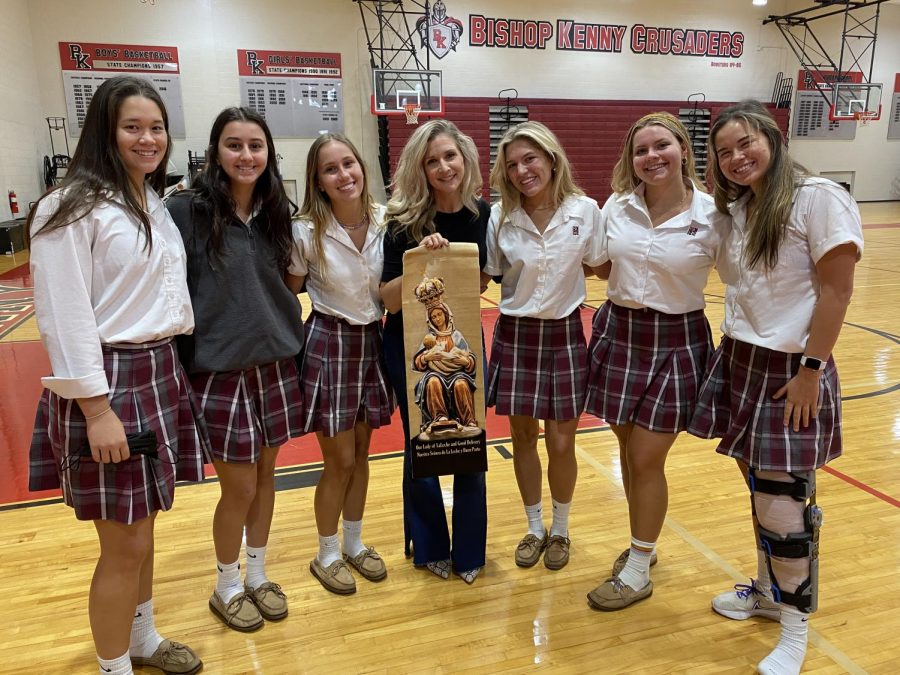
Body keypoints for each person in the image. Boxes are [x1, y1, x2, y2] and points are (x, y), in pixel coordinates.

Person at [27, 75, 206, 675]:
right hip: (109, 381)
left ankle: (142, 640)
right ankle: (113, 668)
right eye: (133, 126)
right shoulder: (68, 205)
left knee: (143, 527)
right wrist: (96, 410)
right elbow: (64, 314)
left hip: (158, 369)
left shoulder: (149, 198)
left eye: (156, 127)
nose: (148, 138)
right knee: (122, 543)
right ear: (105, 130)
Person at [688, 100, 862, 674]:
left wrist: (812, 370)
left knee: (784, 508)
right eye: (724, 152)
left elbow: (836, 292)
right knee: (759, 491)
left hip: (793, 370)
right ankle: (767, 594)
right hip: (743, 360)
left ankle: (795, 629)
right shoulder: (741, 209)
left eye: (746, 143)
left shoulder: (817, 198)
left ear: (773, 136)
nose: (737, 158)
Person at [167, 107, 304, 632]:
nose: (245, 155)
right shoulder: (185, 212)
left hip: (274, 365)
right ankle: (226, 586)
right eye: (234, 145)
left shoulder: (277, 211)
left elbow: (287, 286)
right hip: (218, 372)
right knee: (239, 488)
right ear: (215, 152)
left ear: (268, 152)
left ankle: (257, 574)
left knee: (267, 479)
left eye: (255, 145)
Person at [582, 112, 726, 610]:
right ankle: (642, 546)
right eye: (641, 150)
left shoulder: (713, 214)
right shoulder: (616, 206)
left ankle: (638, 570)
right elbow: (598, 268)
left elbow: (743, 276)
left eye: (661, 145)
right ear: (631, 159)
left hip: (678, 339)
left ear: (683, 148)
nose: (651, 157)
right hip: (619, 332)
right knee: (628, 452)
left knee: (646, 458)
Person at [485, 121, 605, 571]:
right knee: (522, 439)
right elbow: (490, 273)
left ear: (551, 158)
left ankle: (561, 529)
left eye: (530, 159)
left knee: (561, 443)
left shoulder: (587, 210)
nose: (522, 170)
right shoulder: (500, 215)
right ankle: (534, 527)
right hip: (515, 335)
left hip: (564, 334)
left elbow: (600, 265)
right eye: (512, 164)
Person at [286, 133, 395, 595]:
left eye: (348, 163)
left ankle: (354, 542)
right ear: (319, 181)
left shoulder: (388, 220)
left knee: (363, 454)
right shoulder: (305, 230)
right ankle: (326, 552)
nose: (343, 175)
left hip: (375, 340)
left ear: (362, 167)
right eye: (331, 169)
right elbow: (287, 289)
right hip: (329, 343)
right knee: (339, 460)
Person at [381, 119, 489, 584]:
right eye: (432, 160)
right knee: (421, 443)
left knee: (470, 437)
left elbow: (483, 281)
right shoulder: (402, 222)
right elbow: (386, 298)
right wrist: (425, 261)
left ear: (464, 159)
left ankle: (469, 550)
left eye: (450, 156)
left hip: (463, 342)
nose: (443, 167)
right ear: (419, 169)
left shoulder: (483, 215)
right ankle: (428, 546)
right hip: (409, 346)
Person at [412, 293, 479, 437]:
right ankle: (439, 417)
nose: (437, 319)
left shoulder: (456, 336)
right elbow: (418, 361)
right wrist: (426, 357)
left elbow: (469, 356)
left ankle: (468, 421)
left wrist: (465, 362)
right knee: (432, 382)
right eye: (433, 317)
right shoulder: (430, 338)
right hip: (435, 372)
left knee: (461, 384)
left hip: (457, 373)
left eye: (439, 315)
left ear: (446, 314)